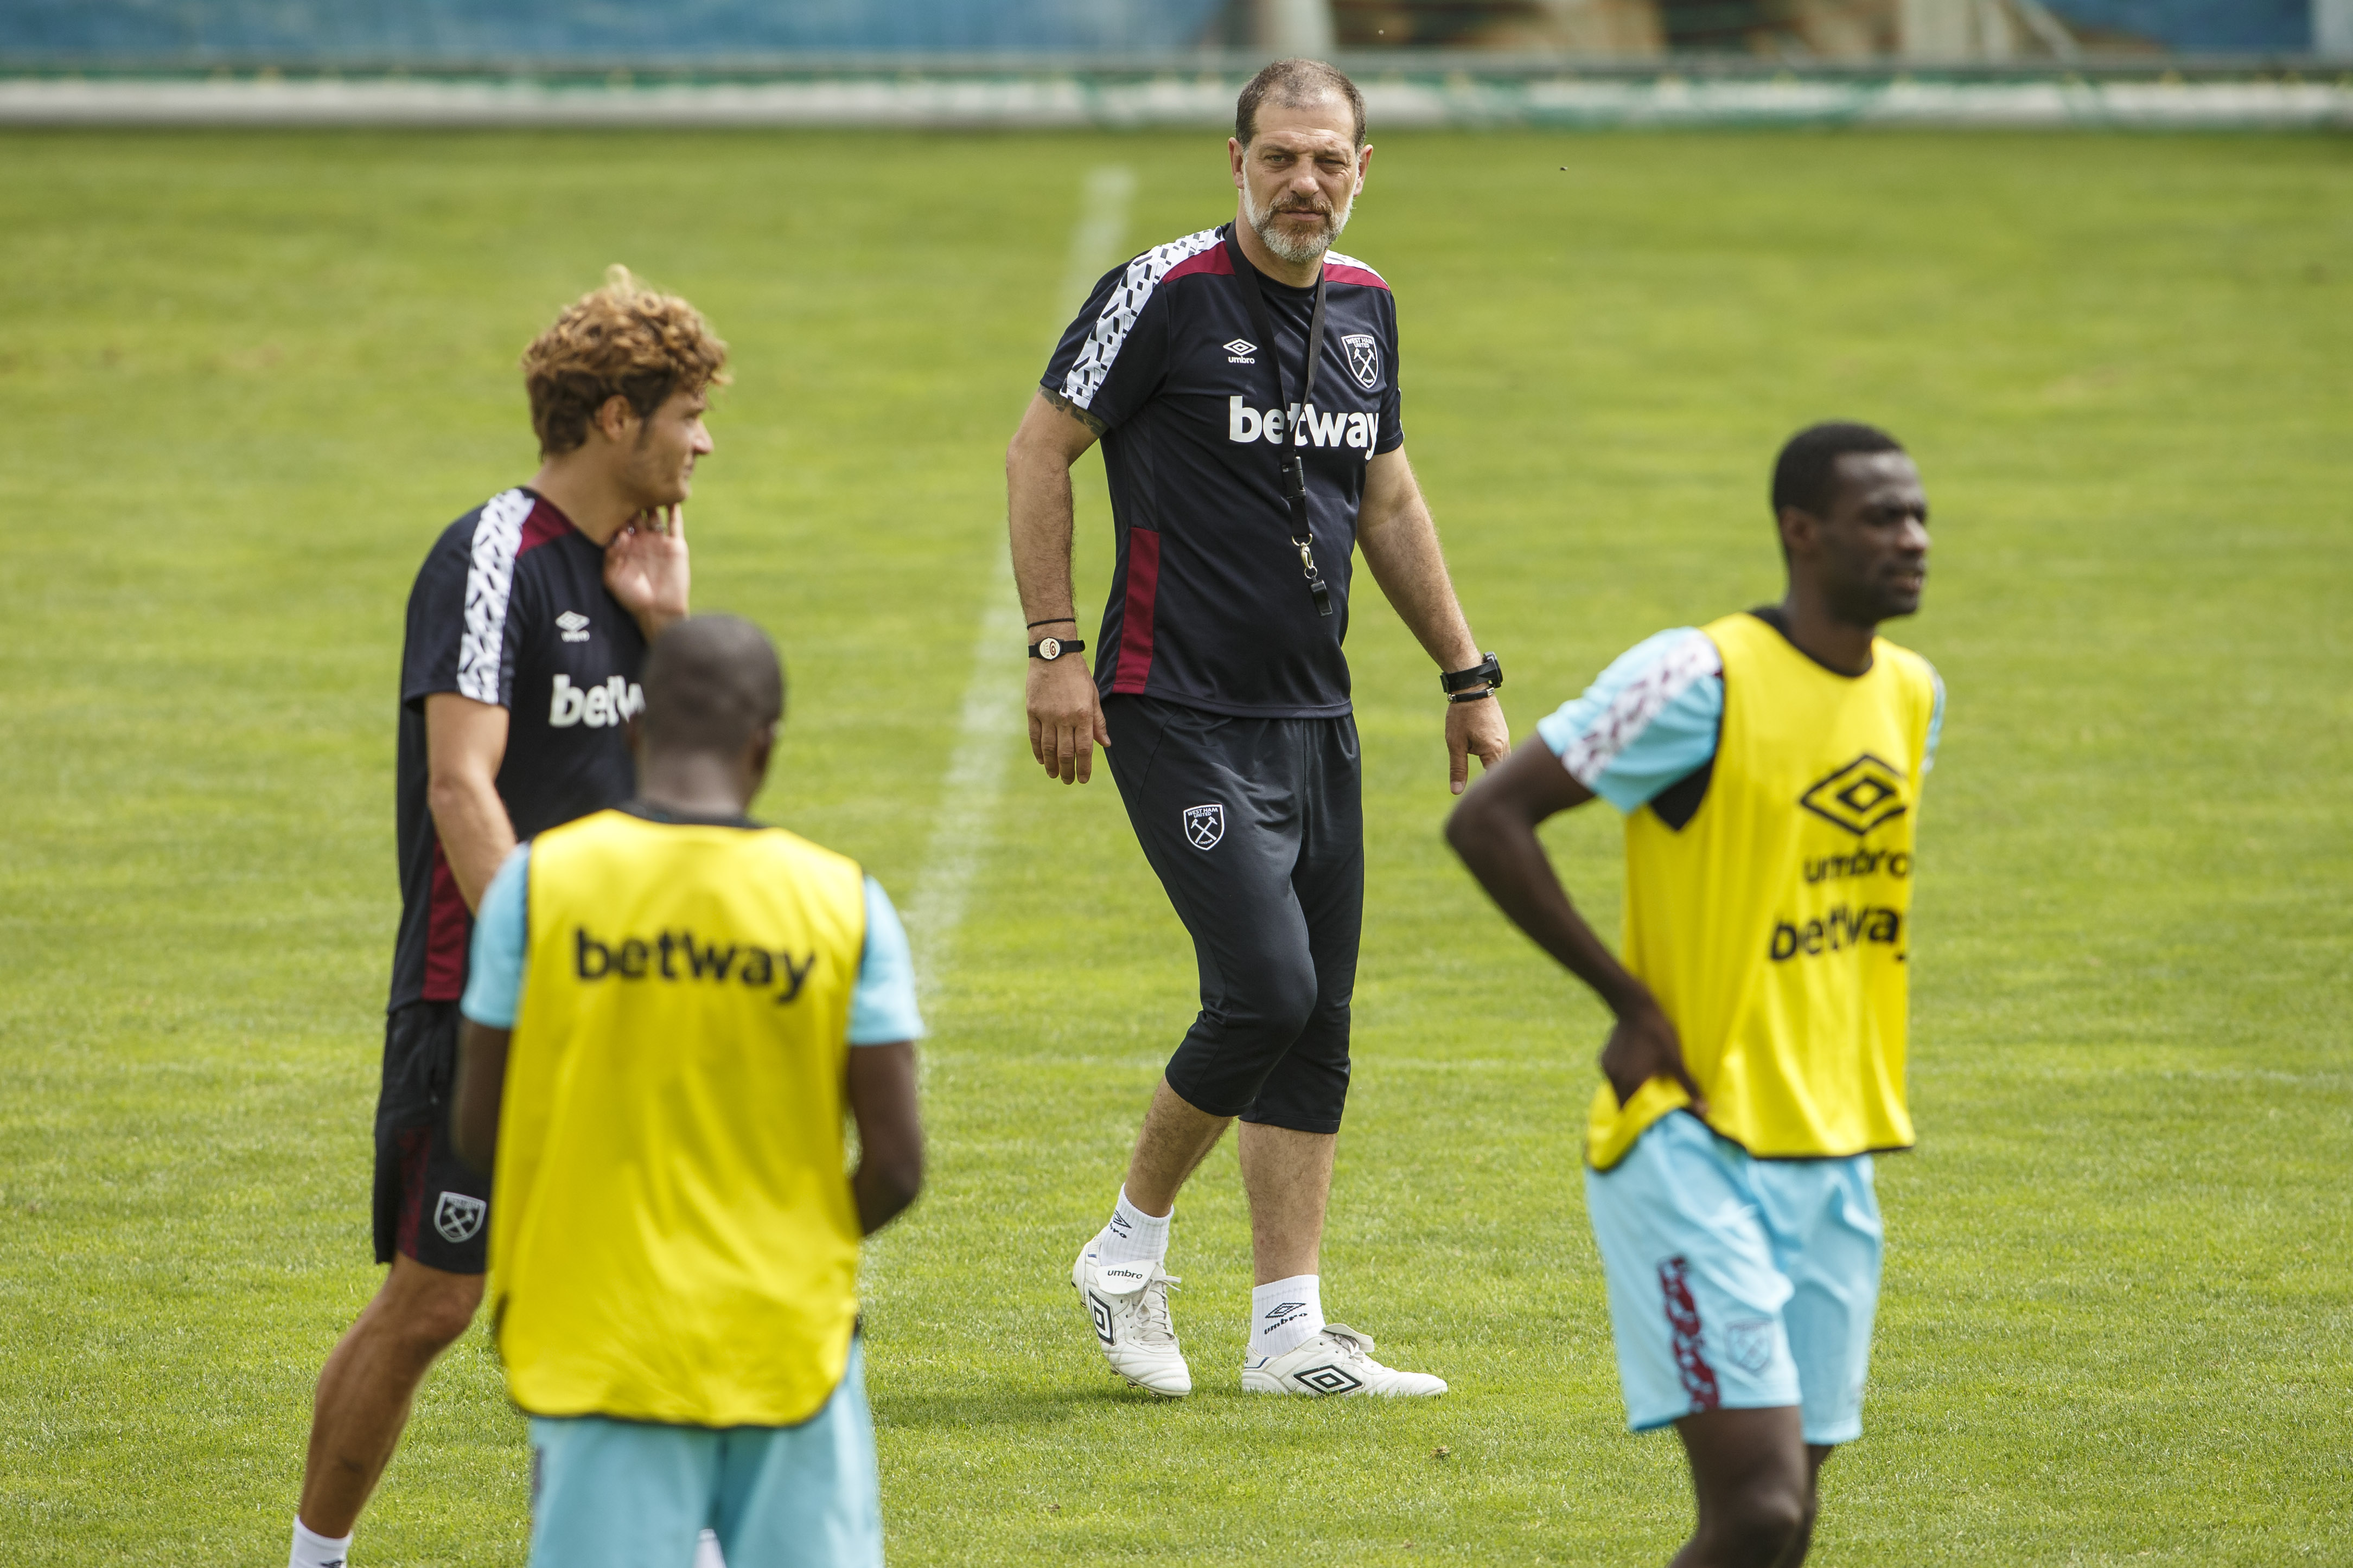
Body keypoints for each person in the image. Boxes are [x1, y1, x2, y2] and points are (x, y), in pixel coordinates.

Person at [1006, 57, 1510, 1400]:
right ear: (1236, 161)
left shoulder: (1367, 305)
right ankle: (1124, 1255)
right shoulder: (1163, 293)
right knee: (1266, 992)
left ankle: (1290, 1331)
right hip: (1173, 704)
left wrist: (1465, 675)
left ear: (1362, 171)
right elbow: (1038, 451)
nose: (1305, 182)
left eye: (1329, 160)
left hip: (1315, 714)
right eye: (1280, 156)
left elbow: (1387, 499)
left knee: (1317, 1021)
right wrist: (1055, 650)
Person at [1444, 423, 1944, 1566]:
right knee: (1757, 1509)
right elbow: (1489, 820)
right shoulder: (1698, 677)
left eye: (1920, 516)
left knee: (1785, 1524)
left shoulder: (1913, 695)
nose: (1913, 540)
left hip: (1834, 1152)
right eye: (1882, 518)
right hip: (1689, 1141)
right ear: (1801, 532)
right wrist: (1630, 1002)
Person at [289, 267, 727, 1568]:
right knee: (433, 1303)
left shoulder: (636, 571)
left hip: (619, 996)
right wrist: (552, 964)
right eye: (689, 415)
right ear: (615, 418)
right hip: (484, 999)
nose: (705, 444)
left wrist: (668, 628)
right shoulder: (494, 557)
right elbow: (460, 786)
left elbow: (687, 788)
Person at [447, 615, 925, 1568]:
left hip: (603, 1340)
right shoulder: (843, 900)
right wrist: (785, 1241)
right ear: (765, 746)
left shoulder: (538, 887)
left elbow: (476, 1129)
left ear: (634, 729)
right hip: (786, 1342)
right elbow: (897, 1167)